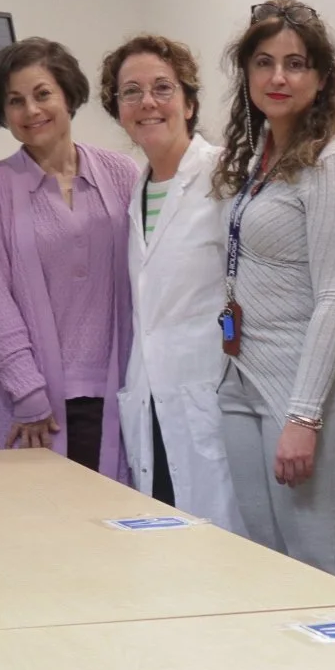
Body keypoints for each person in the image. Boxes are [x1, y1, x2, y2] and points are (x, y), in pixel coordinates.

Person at [211, 0, 335, 579]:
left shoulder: (334, 163)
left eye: (295, 63)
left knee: (320, 569)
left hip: (312, 389)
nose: (277, 77)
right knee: (267, 566)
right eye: (263, 62)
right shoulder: (258, 155)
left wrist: (303, 418)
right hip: (243, 375)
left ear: (322, 77)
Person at [0, 37, 134, 475]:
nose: (31, 110)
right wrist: (27, 392)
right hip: (25, 404)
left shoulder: (122, 174)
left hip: (111, 395)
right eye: (15, 101)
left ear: (68, 95)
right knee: (29, 515)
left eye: (43, 94)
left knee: (107, 514)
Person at [106, 35, 242, 529]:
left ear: (188, 102)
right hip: (150, 398)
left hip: (211, 394)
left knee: (222, 545)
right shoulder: (135, 190)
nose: (147, 102)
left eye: (162, 88)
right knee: (164, 541)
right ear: (118, 110)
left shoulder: (227, 176)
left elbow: (249, 288)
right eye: (131, 92)